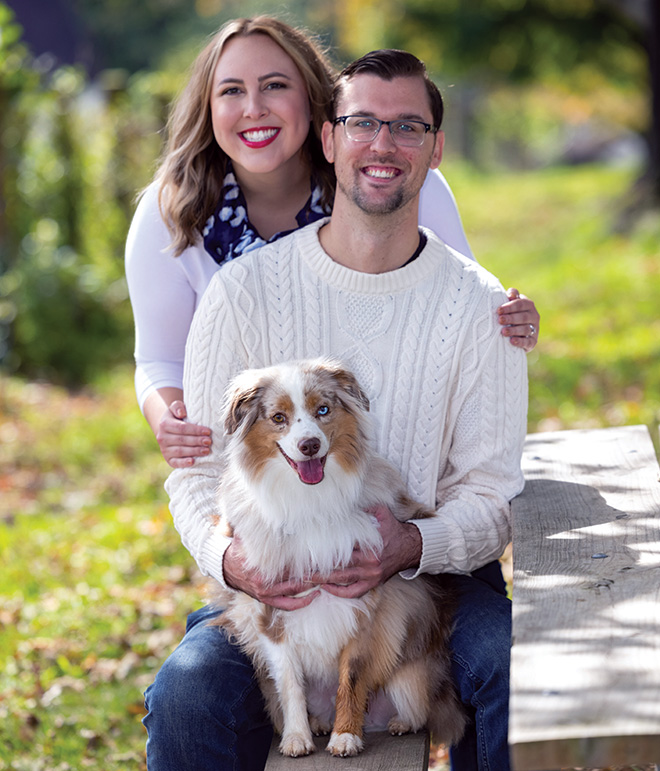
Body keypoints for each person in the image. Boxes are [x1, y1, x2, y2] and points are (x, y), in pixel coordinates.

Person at [146, 47, 528, 771]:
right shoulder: (242, 293)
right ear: (329, 138)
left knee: (509, 667)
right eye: (361, 123)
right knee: (185, 695)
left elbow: (494, 496)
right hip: (274, 579)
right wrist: (234, 561)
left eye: (408, 126)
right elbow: (194, 478)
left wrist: (411, 544)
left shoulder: (482, 309)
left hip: (433, 581)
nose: (382, 145)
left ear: (436, 148)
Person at [124, 16, 539, 470]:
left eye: (275, 85)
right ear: (207, 106)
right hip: (254, 466)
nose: (254, 108)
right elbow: (158, 359)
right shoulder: (172, 212)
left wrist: (510, 318)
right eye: (231, 91)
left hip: (386, 444)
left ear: (313, 98)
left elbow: (458, 301)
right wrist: (171, 421)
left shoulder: (381, 181)